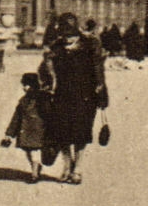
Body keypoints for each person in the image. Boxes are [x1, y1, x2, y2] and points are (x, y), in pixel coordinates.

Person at [41, 12, 107, 185]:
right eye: (65, 33)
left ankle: (77, 168)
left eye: (71, 33)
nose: (68, 37)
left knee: (80, 132)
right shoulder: (56, 47)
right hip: (62, 95)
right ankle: (67, 163)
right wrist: (47, 86)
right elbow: (44, 71)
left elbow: (98, 69)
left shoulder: (90, 44)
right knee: (61, 132)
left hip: (85, 95)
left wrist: (101, 92)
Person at [0, 71, 53, 183]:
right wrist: (9, 134)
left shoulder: (42, 99)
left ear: (32, 85)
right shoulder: (24, 101)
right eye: (23, 85)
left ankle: (34, 173)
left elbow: (48, 115)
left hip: (37, 131)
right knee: (29, 152)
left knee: (34, 152)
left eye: (26, 85)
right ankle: (36, 167)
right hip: (26, 131)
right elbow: (16, 118)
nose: (24, 88)